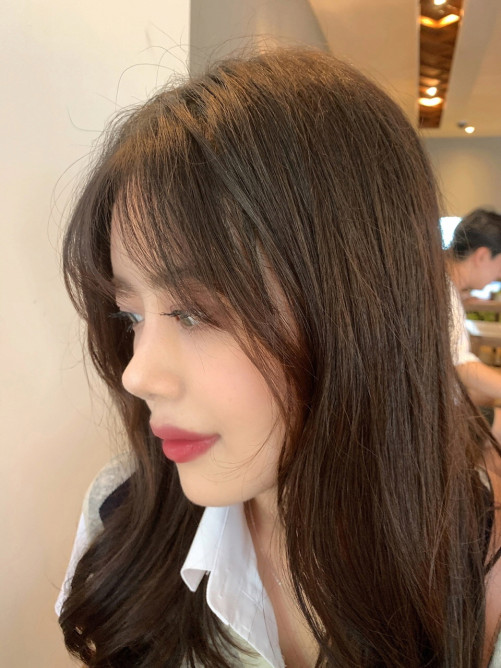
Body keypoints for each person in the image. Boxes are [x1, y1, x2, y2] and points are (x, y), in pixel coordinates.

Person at [57, 49, 501, 667]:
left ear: (357, 307)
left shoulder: (479, 569)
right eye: (130, 317)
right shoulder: (125, 515)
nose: (137, 374)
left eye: (195, 312)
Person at [446, 208, 501, 439]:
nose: (499, 275)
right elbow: (461, 367)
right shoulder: (446, 292)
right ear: (482, 256)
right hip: (439, 409)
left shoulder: (447, 286)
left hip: (443, 397)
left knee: (489, 398)